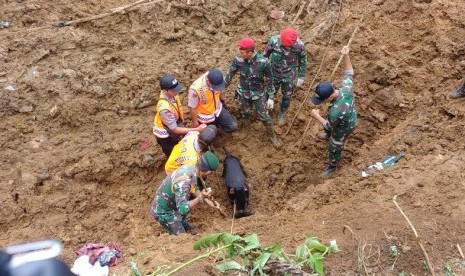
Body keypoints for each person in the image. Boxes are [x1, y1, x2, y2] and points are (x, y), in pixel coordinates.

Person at [224, 37, 281, 147]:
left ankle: (272, 136)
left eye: (242, 52)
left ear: (250, 52)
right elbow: (229, 75)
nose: (240, 54)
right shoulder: (238, 60)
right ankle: (245, 130)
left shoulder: (263, 62)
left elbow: (270, 79)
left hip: (258, 94)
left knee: (264, 116)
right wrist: (220, 88)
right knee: (245, 113)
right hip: (243, 93)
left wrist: (271, 97)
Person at [310, 45, 357, 178]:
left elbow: (329, 125)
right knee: (330, 128)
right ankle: (327, 135)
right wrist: (346, 55)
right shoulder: (345, 88)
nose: (322, 102)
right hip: (346, 116)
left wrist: (317, 116)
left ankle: (332, 166)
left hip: (344, 127)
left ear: (330, 97)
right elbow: (349, 72)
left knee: (335, 145)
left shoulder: (335, 112)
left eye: (323, 100)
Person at [151, 152, 221, 235]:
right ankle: (176, 227)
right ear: (208, 172)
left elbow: (194, 188)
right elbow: (183, 209)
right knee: (182, 239)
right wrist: (200, 197)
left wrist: (208, 202)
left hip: (173, 205)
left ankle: (182, 223)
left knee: (183, 213)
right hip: (164, 212)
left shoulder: (192, 169)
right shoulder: (184, 181)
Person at [153, 75, 206, 157]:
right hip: (167, 136)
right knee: (175, 156)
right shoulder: (164, 109)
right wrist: (197, 129)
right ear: (165, 91)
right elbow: (175, 130)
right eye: (174, 90)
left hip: (175, 123)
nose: (177, 92)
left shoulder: (172, 94)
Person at [263, 27, 307, 125]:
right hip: (274, 73)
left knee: (287, 96)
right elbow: (265, 57)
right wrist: (263, 72)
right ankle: (265, 111)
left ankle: (282, 113)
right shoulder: (273, 41)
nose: (287, 48)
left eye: (289, 46)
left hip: (289, 75)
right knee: (269, 93)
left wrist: (301, 76)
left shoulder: (300, 46)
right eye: (284, 45)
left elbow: (303, 61)